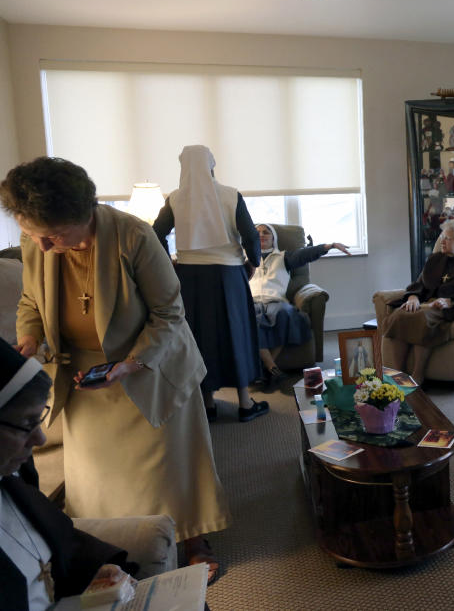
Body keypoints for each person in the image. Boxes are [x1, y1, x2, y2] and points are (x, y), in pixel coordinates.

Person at [1, 156, 231, 585]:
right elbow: (31, 302)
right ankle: (109, 545)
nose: (43, 247)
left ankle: (192, 538)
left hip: (150, 363)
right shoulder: (38, 240)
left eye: (53, 237)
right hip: (82, 377)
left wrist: (131, 363)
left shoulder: (134, 235)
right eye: (34, 236)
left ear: (82, 215)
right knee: (96, 477)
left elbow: (169, 313)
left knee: (171, 464)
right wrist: (30, 338)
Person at [0, 340, 138, 610]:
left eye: (39, 419)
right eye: (26, 424)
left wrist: (95, 569)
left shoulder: (18, 472)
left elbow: (54, 535)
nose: (40, 438)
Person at [153, 145, 267, 423]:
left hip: (190, 277)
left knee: (199, 336)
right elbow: (251, 236)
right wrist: (254, 262)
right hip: (229, 274)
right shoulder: (230, 195)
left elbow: (156, 233)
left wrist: (170, 263)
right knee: (235, 334)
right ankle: (244, 402)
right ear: (212, 166)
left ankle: (208, 404)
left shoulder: (175, 199)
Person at [383, 217, 454, 384]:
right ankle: (399, 373)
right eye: (442, 237)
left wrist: (452, 301)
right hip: (427, 302)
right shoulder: (436, 258)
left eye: (447, 239)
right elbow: (420, 283)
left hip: (451, 308)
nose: (442, 242)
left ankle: (417, 375)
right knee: (401, 313)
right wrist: (413, 296)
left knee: (422, 317)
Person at [249, 223, 350, 389]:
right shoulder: (245, 258)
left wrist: (329, 246)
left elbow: (305, 254)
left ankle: (267, 368)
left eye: (266, 232)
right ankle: (272, 368)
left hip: (277, 301)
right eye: (258, 232)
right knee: (249, 318)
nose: (261, 235)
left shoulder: (284, 257)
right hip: (252, 302)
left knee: (287, 315)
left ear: (273, 238)